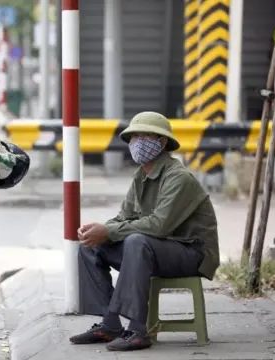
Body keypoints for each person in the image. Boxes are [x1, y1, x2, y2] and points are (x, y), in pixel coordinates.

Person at [69, 111, 220, 352]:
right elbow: (123, 218)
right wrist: (99, 231)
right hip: (157, 249)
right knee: (91, 246)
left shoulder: (178, 178)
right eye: (133, 137)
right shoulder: (141, 177)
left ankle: (138, 331)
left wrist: (109, 231)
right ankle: (110, 325)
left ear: (161, 142)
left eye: (144, 136)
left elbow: (159, 225)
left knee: (137, 242)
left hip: (191, 253)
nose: (137, 143)